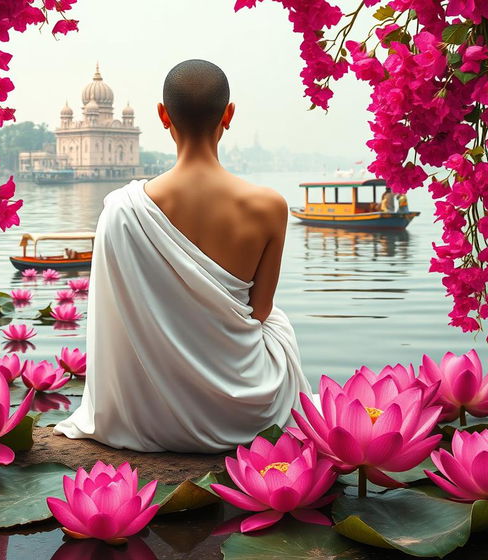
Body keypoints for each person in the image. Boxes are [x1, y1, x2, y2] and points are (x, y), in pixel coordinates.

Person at [53, 59, 313, 453]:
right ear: (229, 115)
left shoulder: (123, 210)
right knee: (279, 323)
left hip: (149, 413)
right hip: (244, 411)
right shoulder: (269, 206)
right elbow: (259, 312)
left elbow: (112, 326)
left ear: (162, 115)